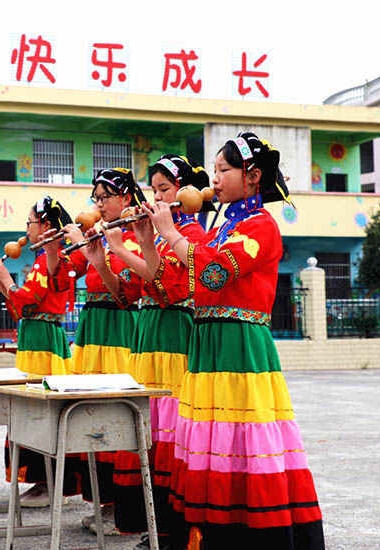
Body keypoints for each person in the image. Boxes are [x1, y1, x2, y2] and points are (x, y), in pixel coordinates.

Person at [143, 133, 325, 549]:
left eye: (225, 170)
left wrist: (171, 234)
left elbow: (213, 274)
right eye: (217, 170)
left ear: (252, 176)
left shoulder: (261, 226)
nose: (216, 178)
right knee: (212, 439)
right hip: (208, 343)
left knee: (241, 440)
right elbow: (177, 285)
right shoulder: (223, 226)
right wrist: (143, 236)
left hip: (240, 346)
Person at [103, 155, 211, 548]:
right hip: (149, 339)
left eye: (165, 190)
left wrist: (128, 245)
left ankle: (169, 529)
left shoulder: (194, 234)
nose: (158, 197)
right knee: (150, 431)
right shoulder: (165, 233)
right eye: (156, 190)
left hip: (174, 340)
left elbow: (168, 291)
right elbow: (133, 290)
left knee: (170, 432)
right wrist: (111, 254)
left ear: (186, 192)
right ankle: (150, 521)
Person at [51, 168, 145, 535]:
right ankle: (104, 501)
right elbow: (61, 281)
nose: (99, 204)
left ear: (125, 198)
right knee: (91, 412)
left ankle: (121, 504)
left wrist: (99, 255)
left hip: (118, 329)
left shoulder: (133, 237)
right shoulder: (101, 237)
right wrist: (56, 247)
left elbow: (126, 294)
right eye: (96, 198)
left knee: (115, 412)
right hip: (93, 330)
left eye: (105, 196)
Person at [0, 196, 78, 507]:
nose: (26, 228)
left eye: (30, 222)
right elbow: (21, 307)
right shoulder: (40, 260)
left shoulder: (49, 260)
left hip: (44, 343)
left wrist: (6, 280)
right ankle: (41, 481)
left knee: (40, 409)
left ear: (46, 226)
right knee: (29, 408)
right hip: (34, 336)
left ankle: (50, 483)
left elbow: (28, 298)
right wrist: (1, 283)